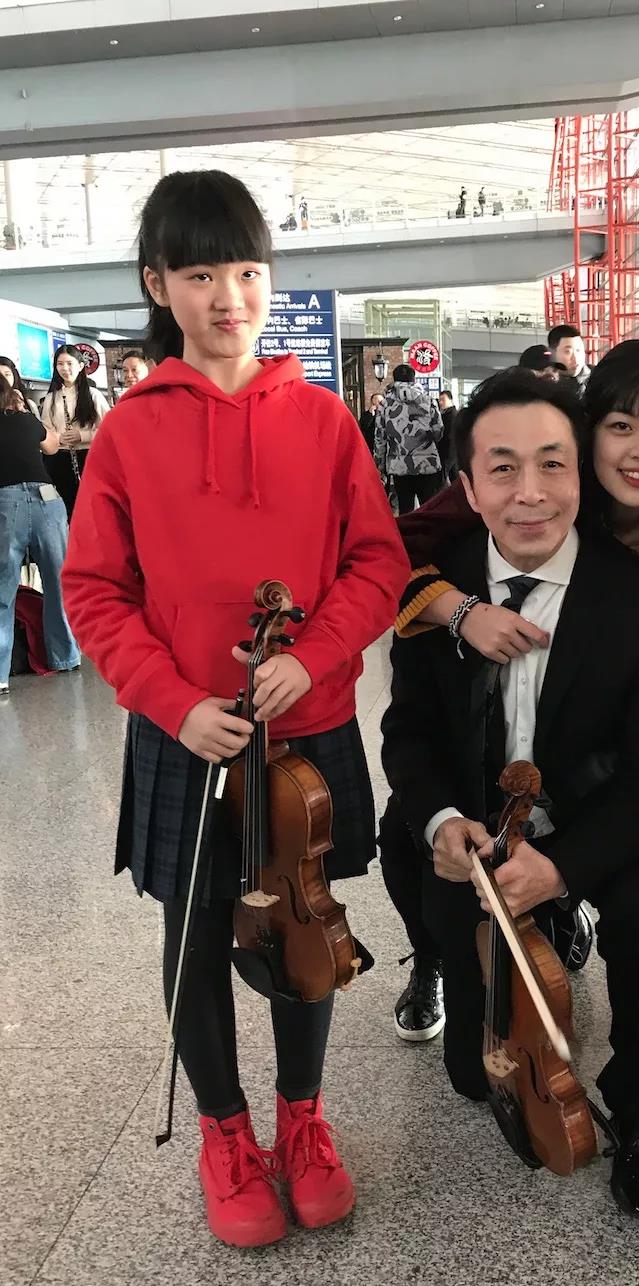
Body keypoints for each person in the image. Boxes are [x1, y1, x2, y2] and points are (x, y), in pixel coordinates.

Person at [60, 169, 409, 1249]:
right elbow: (94, 590)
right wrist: (171, 702)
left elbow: (377, 562)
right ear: (157, 283)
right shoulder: (128, 431)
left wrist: (315, 655)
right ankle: (225, 1131)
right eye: (202, 274)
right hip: (189, 731)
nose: (229, 298)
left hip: (307, 722)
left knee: (304, 917)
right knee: (196, 928)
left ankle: (304, 1118)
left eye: (249, 272)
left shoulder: (323, 418)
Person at [380, 368, 639, 1220]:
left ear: (580, 472)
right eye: (503, 468)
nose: (531, 494)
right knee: (469, 1074)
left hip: (589, 810)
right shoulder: (434, 593)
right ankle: (438, 959)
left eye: (553, 464)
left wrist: (562, 870)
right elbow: (408, 731)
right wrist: (442, 820)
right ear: (467, 482)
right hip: (478, 818)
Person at [384, 340, 639, 1059]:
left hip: (628, 708)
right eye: (621, 426)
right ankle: (432, 959)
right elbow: (385, 554)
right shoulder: (525, 487)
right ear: (589, 435)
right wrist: (460, 610)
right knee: (404, 835)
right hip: (527, 706)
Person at [0, 382, 80, 695]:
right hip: (47, 498)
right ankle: (66, 656)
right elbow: (52, 446)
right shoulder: (25, 420)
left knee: (3, 589)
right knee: (58, 582)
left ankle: (1, 675)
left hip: (5, 503)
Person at [41, 345, 110, 517]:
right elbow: (46, 431)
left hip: (88, 456)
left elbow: (108, 429)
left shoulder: (94, 395)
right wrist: (59, 438)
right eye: (60, 364)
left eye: (69, 363)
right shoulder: (51, 398)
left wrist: (83, 436)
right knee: (66, 508)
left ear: (80, 366)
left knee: (91, 507)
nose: (65, 368)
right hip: (60, 459)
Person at [375, 364, 446, 515]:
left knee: (405, 511)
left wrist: (380, 465)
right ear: (414, 379)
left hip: (399, 465)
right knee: (429, 511)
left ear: (394, 380)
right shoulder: (428, 400)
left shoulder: (384, 404)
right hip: (427, 464)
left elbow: (380, 438)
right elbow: (438, 431)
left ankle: (408, 531)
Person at [547, 324, 592, 390]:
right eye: (568, 351)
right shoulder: (542, 384)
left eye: (578, 350)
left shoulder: (598, 378)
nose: (575, 358)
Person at [0, 356, 42, 420]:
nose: (4, 379)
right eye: (0, 376)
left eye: (7, 374)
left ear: (14, 376)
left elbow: (37, 424)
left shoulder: (29, 404)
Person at [438, 389, 457, 478]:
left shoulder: (452, 416)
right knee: (455, 477)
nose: (440, 402)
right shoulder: (446, 414)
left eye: (443, 400)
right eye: (439, 400)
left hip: (448, 452)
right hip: (452, 452)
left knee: (442, 478)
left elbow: (449, 436)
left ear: (450, 400)